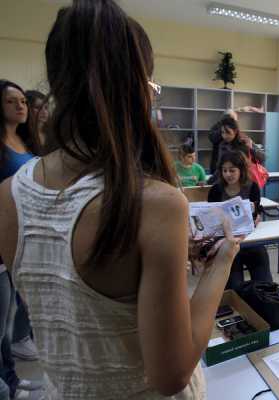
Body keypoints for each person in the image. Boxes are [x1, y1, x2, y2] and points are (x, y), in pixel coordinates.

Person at [0, 1, 241, 398]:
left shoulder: (9, 193)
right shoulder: (155, 203)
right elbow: (171, 374)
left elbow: (70, 309)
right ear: (137, 88)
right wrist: (222, 263)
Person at [0, 80, 44, 399]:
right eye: (11, 101)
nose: (21, 106)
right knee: (1, 321)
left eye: (23, 101)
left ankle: (11, 379)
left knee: (9, 317)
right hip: (6, 233)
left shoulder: (26, 141)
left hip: (27, 233)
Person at [208, 151, 272, 290]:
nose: (228, 174)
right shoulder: (216, 190)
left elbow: (256, 212)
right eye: (224, 170)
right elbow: (211, 219)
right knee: (235, 287)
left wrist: (256, 217)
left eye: (232, 170)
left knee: (265, 283)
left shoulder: (252, 187)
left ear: (241, 170)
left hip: (249, 240)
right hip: (227, 243)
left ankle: (264, 297)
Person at [208, 109, 237, 173]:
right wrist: (224, 130)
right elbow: (212, 138)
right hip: (217, 162)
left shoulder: (240, 137)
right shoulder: (217, 126)